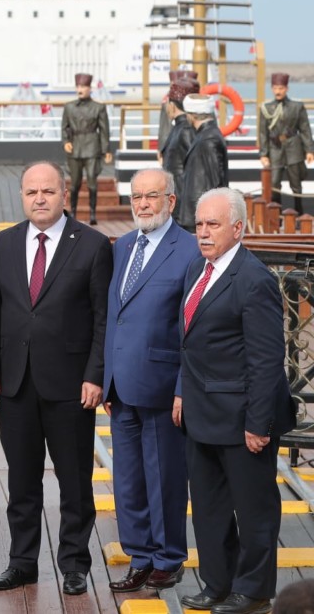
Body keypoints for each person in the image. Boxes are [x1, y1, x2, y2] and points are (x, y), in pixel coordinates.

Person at [0, 161, 112, 596]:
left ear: (64, 193)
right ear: (22, 196)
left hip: (72, 385)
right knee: (22, 481)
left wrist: (95, 374)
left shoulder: (93, 245)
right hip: (16, 383)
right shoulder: (4, 243)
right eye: (31, 192)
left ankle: (74, 564)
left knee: (74, 481)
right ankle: (22, 562)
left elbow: (103, 318)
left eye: (48, 191)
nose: (39, 199)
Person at [176, 188, 296, 614]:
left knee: (254, 510)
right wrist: (180, 391)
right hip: (201, 413)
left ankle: (254, 591)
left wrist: (258, 424)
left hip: (243, 418)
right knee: (209, 509)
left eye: (213, 224)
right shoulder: (198, 268)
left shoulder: (254, 279)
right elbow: (190, 343)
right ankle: (218, 584)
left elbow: (267, 361)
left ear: (238, 229)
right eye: (199, 224)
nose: (203, 233)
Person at [102, 168, 200, 593]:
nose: (142, 204)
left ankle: (168, 558)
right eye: (136, 196)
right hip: (121, 386)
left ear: (171, 201)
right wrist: (106, 376)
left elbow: (192, 329)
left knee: (164, 479)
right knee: (127, 480)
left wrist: (182, 388)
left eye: (151, 196)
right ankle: (140, 557)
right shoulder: (123, 246)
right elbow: (116, 316)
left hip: (162, 386)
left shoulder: (190, 249)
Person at [258, 72, 314, 215]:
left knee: (296, 183)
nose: (278, 91)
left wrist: (309, 150)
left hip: (293, 147)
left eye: (281, 88)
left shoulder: (297, 107)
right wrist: (264, 154)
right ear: (272, 88)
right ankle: (275, 215)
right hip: (275, 148)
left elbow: (305, 129)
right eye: (275, 88)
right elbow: (263, 133)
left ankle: (299, 212)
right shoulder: (266, 108)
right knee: (274, 183)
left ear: (286, 89)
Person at [61, 73, 112, 225]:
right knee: (74, 183)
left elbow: (104, 130)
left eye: (83, 86)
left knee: (92, 182)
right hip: (75, 147)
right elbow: (64, 127)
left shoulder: (99, 107)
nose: (80, 89)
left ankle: (92, 213)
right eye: (78, 86)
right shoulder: (69, 107)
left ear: (90, 88)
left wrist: (106, 150)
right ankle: (73, 213)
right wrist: (66, 141)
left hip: (92, 147)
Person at [179, 94, 229, 232]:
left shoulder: (208, 139)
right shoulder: (206, 135)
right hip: (198, 212)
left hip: (200, 214)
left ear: (192, 115)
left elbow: (215, 180)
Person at [161, 71, 199, 218]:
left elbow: (194, 169)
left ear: (172, 105)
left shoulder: (185, 130)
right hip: (176, 199)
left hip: (182, 202)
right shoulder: (179, 128)